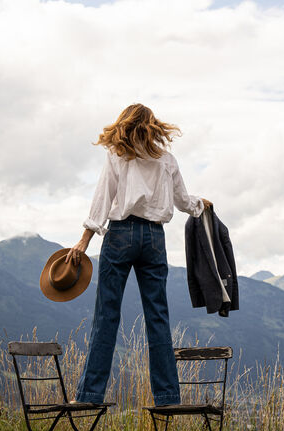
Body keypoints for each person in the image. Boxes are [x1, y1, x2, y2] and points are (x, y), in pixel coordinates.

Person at [66, 103, 211, 406]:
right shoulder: (167, 160)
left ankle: (90, 395)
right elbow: (185, 201)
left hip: (120, 234)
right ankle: (168, 397)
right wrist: (200, 205)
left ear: (125, 125)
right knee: (157, 316)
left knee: (107, 315)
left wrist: (84, 239)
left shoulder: (117, 157)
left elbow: (102, 199)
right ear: (152, 125)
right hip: (154, 238)